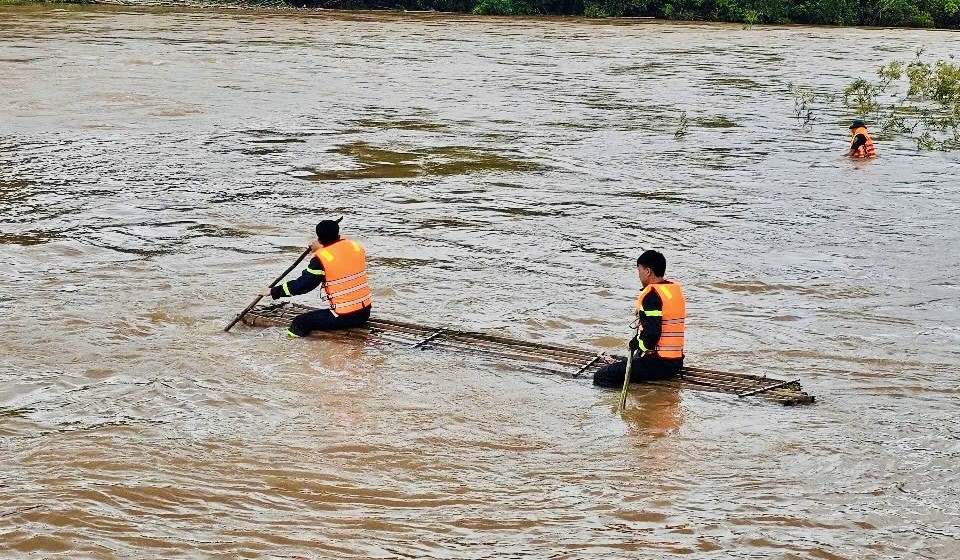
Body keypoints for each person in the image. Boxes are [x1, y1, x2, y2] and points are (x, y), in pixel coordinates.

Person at [263, 218, 372, 338]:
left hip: (345, 315)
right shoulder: (355, 247)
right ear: (338, 234)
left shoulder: (320, 259)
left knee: (299, 322)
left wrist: (274, 291)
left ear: (319, 238)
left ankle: (290, 348)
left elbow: (303, 285)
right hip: (364, 312)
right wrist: (321, 246)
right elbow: (339, 254)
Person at [594, 250, 686, 388]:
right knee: (623, 363)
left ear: (648, 271)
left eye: (639, 271)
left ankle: (624, 401)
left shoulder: (652, 295)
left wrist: (636, 344)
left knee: (602, 376)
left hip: (660, 364)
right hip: (676, 362)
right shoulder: (672, 290)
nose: (639, 275)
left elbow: (652, 335)